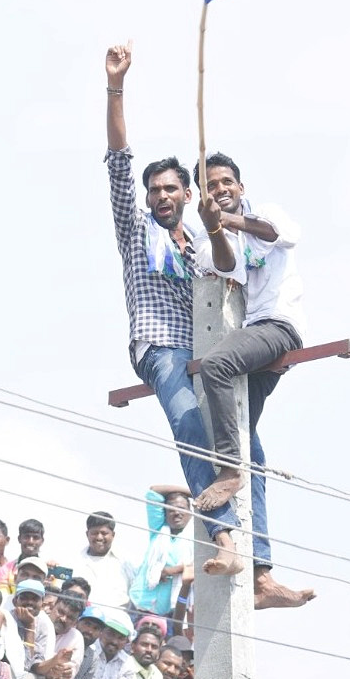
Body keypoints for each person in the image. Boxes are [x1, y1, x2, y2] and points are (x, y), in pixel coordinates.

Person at [102, 41, 246, 580]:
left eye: (170, 188)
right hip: (162, 347)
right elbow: (118, 162)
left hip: (212, 353)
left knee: (244, 442)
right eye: (154, 191)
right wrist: (116, 86)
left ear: (188, 192)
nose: (161, 196)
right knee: (191, 426)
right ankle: (224, 536)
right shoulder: (137, 232)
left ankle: (261, 568)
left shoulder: (202, 248)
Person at [191, 152, 314, 609]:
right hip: (253, 330)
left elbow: (280, 235)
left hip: (277, 326)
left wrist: (228, 218)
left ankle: (227, 471)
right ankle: (263, 576)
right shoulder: (211, 233)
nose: (220, 189)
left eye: (226, 183)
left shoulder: (267, 212)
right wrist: (214, 226)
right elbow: (226, 264)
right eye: (211, 186)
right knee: (251, 444)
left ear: (240, 187)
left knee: (217, 367)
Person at [130, 486, 192, 620]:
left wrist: (172, 570)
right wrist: (193, 493)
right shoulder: (158, 529)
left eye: (181, 508)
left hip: (171, 612)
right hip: (139, 604)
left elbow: (200, 565)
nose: (176, 513)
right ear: (164, 513)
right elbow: (154, 491)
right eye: (171, 509)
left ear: (191, 513)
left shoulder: (196, 537)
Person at [67, 512, 133, 610]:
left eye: (104, 533)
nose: (99, 537)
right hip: (82, 620)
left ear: (113, 535)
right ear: (87, 534)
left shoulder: (126, 563)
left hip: (116, 621)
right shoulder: (74, 562)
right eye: (94, 533)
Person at [7, 579, 55, 675]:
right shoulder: (7, 618)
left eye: (35, 599)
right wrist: (30, 625)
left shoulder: (43, 625)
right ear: (15, 601)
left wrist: (30, 626)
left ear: (42, 604)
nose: (29, 602)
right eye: (24, 598)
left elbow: (29, 665)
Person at [39, 594, 85, 679]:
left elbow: (68, 671)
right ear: (52, 607)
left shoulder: (76, 638)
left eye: (70, 617)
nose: (63, 619)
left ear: (75, 622)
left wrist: (63, 671)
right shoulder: (37, 620)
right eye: (60, 612)